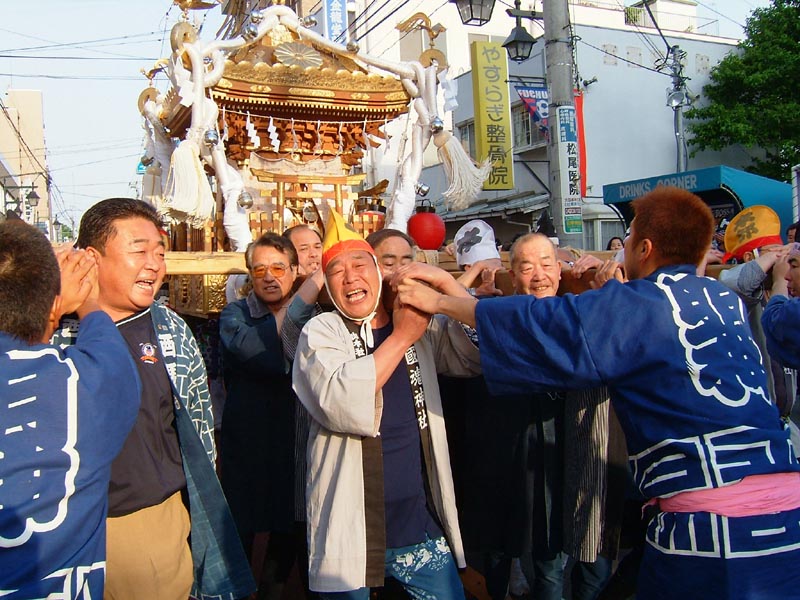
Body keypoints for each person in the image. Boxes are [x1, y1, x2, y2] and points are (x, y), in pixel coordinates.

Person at [395, 186, 800, 599]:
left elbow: (540, 323)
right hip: (784, 503)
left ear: (644, 248)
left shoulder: (639, 303)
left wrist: (440, 301)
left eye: (627, 240)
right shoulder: (721, 297)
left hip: (714, 524)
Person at [52, 198, 254, 600]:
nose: (154, 265)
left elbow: (199, 425)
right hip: (59, 524)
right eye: (139, 251)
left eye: (159, 254)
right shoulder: (51, 331)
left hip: (145, 523)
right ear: (91, 258)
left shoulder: (169, 328)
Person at [292, 211, 481, 599]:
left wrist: (447, 285)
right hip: (349, 527)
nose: (350, 277)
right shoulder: (321, 331)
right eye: (336, 271)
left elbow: (475, 356)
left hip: (417, 518)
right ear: (328, 287)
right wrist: (401, 338)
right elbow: (340, 402)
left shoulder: (415, 321)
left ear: (378, 274)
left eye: (360, 265)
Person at [0, 221, 140, 598]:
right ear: (54, 308)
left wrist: (48, 297)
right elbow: (108, 350)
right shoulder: (89, 382)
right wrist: (86, 301)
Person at [220, 232, 308, 600]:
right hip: (247, 445)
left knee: (287, 532)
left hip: (293, 444)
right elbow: (254, 351)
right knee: (239, 531)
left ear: (294, 271)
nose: (269, 277)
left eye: (278, 268)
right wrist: (301, 301)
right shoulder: (235, 314)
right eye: (259, 270)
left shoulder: (314, 316)